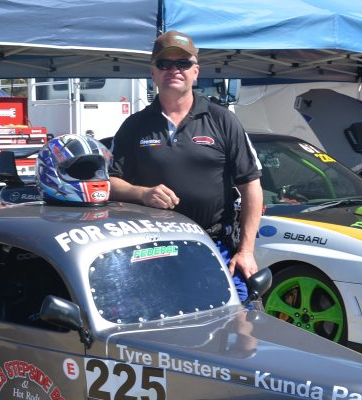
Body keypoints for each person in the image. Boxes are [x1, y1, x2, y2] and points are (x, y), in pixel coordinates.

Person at [108, 30, 263, 301]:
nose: (174, 70)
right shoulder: (134, 126)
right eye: (164, 64)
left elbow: (251, 186)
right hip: (151, 250)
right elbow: (109, 182)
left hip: (213, 246)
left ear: (195, 72)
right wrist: (142, 193)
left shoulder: (222, 120)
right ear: (153, 73)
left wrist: (246, 251)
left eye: (183, 63)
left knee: (237, 324)